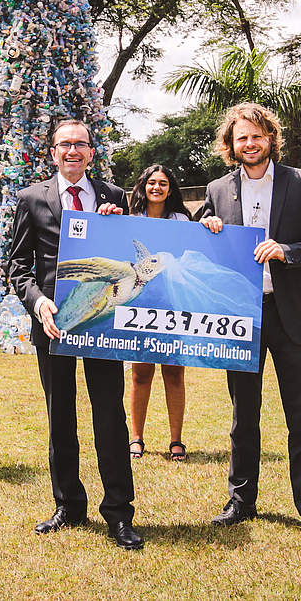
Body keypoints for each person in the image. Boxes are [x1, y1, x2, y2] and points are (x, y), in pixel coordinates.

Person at [200, 103, 301, 540]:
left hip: (291, 313)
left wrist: (288, 251)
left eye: (257, 136)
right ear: (231, 144)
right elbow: (200, 244)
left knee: (300, 414)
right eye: (242, 137)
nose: (250, 144)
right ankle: (241, 501)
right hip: (241, 315)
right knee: (244, 415)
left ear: (270, 138)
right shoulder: (218, 189)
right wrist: (206, 226)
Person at [6, 118, 143, 550]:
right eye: (64, 145)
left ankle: (119, 513)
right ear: (52, 151)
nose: (72, 152)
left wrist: (118, 225)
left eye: (80, 145)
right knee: (60, 417)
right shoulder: (32, 198)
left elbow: (130, 258)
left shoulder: (114, 196)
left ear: (91, 151)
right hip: (54, 326)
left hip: (102, 324)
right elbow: (18, 267)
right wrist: (38, 302)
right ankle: (68, 505)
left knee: (110, 416)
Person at [126, 164, 192, 462]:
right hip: (141, 304)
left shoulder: (181, 220)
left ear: (170, 188)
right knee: (140, 373)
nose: (157, 187)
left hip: (173, 303)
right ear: (143, 186)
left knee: (174, 372)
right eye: (151, 182)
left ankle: (176, 440)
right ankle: (136, 437)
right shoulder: (130, 220)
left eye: (163, 183)